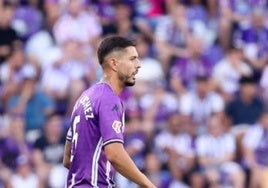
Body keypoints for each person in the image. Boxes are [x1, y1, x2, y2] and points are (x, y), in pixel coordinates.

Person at [63, 36, 156, 188]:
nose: (138, 65)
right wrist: (149, 185)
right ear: (114, 63)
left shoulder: (84, 97)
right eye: (132, 59)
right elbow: (115, 155)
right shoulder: (109, 100)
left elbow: (67, 159)